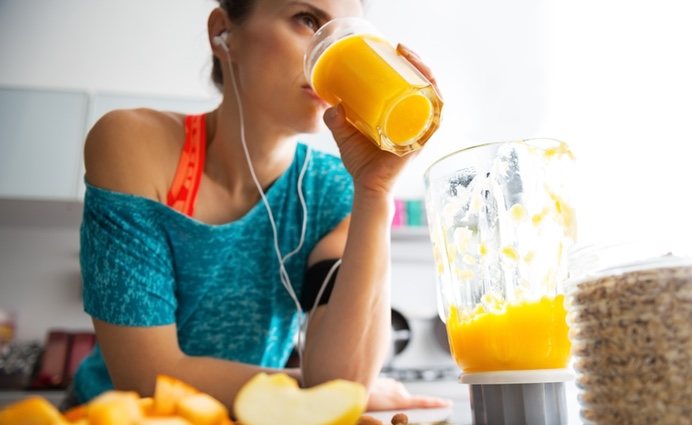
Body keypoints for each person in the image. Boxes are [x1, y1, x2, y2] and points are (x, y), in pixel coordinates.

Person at [68, 0, 449, 415]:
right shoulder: (134, 144)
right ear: (222, 33)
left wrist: (376, 191)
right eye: (307, 20)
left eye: (349, 33)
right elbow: (145, 376)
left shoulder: (333, 189)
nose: (332, 49)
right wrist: (312, 390)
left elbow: (341, 379)